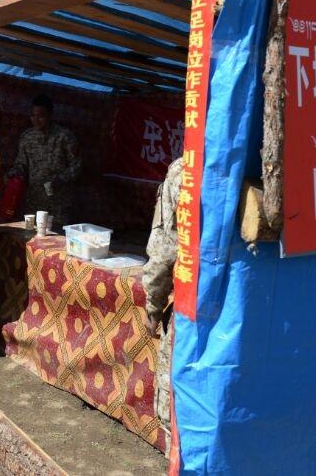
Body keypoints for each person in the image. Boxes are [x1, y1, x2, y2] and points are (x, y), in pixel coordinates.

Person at [141, 156, 183, 451]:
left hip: (191, 307)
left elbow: (167, 249)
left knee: (173, 401)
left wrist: (153, 307)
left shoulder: (185, 170)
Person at [7, 94, 81, 226]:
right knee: (33, 237)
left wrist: (62, 179)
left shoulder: (64, 137)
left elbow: (77, 165)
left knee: (58, 239)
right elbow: (21, 164)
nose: (36, 120)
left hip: (59, 202)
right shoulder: (26, 137)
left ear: (50, 115)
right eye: (33, 116)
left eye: (41, 116)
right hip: (34, 201)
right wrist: (13, 175)